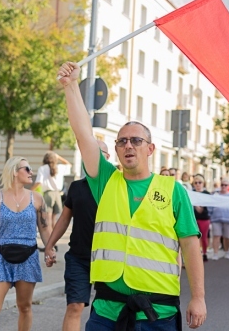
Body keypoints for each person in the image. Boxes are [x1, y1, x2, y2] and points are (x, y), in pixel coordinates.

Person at [58, 62, 206, 330]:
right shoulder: (105, 181)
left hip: (157, 312)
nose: (128, 145)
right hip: (107, 310)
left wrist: (198, 297)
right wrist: (70, 86)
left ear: (150, 149)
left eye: (136, 141)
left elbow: (190, 245)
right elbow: (83, 134)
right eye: (122, 141)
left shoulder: (173, 190)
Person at [0, 157, 52, 330]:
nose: (31, 172)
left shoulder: (37, 198)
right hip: (1, 257)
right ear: (15, 171)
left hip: (28, 257)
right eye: (27, 169)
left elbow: (45, 229)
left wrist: (49, 250)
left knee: (24, 306)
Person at [44, 141, 110, 331]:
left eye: (97, 153)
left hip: (108, 260)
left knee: (105, 312)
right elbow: (64, 219)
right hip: (79, 258)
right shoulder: (76, 187)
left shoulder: (116, 186)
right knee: (74, 306)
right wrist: (50, 245)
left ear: (107, 158)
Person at [32, 151, 71, 230]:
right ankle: (54, 236)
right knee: (54, 218)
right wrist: (58, 156)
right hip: (57, 194)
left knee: (48, 217)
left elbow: (39, 182)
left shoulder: (42, 168)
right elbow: (69, 165)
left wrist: (30, 190)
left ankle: (49, 235)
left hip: (48, 194)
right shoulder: (59, 167)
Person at [208, 180, 229, 260]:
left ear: (228, 186)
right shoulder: (215, 195)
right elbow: (210, 205)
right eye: (222, 185)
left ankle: (227, 251)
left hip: (228, 219)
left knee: (227, 237)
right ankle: (215, 253)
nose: (223, 186)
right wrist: (210, 214)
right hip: (216, 218)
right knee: (216, 236)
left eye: (225, 185)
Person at [192, 174, 211, 262]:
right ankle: (197, 253)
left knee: (204, 237)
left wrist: (195, 204)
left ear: (203, 183)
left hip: (204, 218)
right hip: (194, 218)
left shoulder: (206, 194)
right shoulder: (191, 193)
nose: (198, 184)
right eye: (196, 183)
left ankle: (204, 253)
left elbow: (200, 210)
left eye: (200, 182)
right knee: (195, 237)